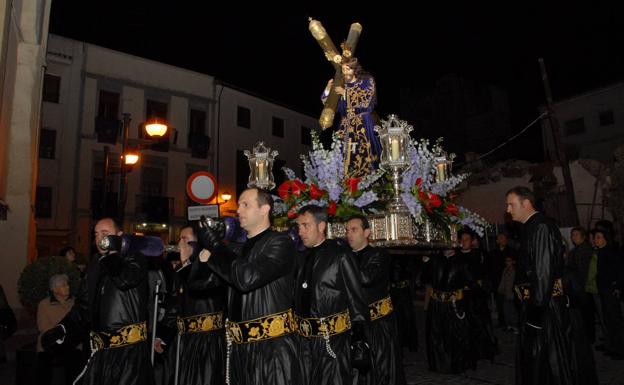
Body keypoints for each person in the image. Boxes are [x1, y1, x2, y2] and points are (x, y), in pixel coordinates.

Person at [196, 187, 304, 385]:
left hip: (271, 351)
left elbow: (247, 279)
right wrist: (206, 251)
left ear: (264, 209)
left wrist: (217, 247)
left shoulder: (280, 243)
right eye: (238, 205)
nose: (238, 211)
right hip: (238, 350)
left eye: (245, 205)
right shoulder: (237, 249)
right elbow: (199, 285)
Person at [41, 217, 153, 385]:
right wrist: (63, 328)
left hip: (129, 356)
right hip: (99, 355)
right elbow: (83, 306)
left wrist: (113, 252)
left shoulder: (135, 258)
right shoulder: (95, 265)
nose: (100, 239)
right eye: (96, 234)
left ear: (119, 235)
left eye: (106, 234)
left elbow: (124, 280)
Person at [505, 186, 598, 385]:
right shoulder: (532, 227)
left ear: (526, 203)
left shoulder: (541, 227)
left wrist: (534, 317)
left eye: (511, 205)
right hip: (537, 306)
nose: (508, 210)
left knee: (551, 363)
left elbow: (543, 273)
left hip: (546, 310)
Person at [294, 205, 370, 385]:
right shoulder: (300, 257)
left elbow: (355, 298)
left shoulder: (340, 255)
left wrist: (359, 339)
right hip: (304, 343)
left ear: (321, 226)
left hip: (333, 341)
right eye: (299, 227)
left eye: (306, 226)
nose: (300, 232)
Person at [157, 224, 226, 384]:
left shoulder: (210, 267)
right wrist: (163, 335)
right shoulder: (182, 270)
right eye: (180, 239)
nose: (180, 244)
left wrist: (187, 264)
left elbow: (199, 285)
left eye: (185, 239)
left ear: (197, 245)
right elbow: (175, 304)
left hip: (207, 341)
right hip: (185, 341)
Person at [345, 214, 405, 385]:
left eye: (354, 230)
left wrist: (341, 263)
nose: (349, 234)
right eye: (347, 230)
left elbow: (365, 279)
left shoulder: (379, 254)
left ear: (367, 232)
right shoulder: (346, 256)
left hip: (378, 324)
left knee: (380, 368)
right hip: (355, 324)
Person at [322, 56, 380, 178]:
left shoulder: (366, 80)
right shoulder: (342, 85)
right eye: (343, 69)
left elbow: (366, 99)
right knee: (344, 156)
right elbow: (331, 105)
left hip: (363, 123)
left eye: (348, 69)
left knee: (366, 155)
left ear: (355, 69)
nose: (346, 72)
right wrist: (328, 89)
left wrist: (346, 93)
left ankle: (371, 182)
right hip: (345, 126)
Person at [421, 248, 475, 373]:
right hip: (436, 304)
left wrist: (462, 298)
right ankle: (438, 364)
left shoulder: (462, 261)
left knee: (454, 335)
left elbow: (471, 283)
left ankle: (456, 365)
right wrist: (425, 264)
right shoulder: (434, 260)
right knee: (435, 334)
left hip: (454, 305)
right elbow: (423, 279)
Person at [36, 274, 80, 385]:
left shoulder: (76, 302)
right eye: (63, 285)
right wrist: (62, 334)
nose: (67, 287)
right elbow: (43, 327)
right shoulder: (44, 304)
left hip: (73, 344)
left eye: (67, 284)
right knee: (45, 367)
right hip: (50, 344)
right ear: (54, 289)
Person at [592, 227, 624, 360]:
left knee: (615, 320)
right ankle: (614, 347)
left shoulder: (610, 252)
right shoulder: (601, 252)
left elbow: (620, 270)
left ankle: (621, 350)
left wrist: (617, 286)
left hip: (610, 290)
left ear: (606, 238)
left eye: (599, 237)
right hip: (604, 290)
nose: (595, 239)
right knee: (608, 320)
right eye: (595, 237)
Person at [566, 227, 598, 343]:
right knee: (584, 313)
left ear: (583, 236)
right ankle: (586, 336)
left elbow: (583, 271)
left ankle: (589, 337)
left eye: (576, 235)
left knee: (587, 313)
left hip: (583, 287)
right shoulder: (578, 249)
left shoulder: (584, 250)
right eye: (572, 235)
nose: (573, 237)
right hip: (579, 287)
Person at [489, 233, 517, 327]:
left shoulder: (512, 251)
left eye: (505, 238)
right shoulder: (493, 253)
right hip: (498, 283)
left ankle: (513, 324)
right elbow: (491, 269)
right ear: (497, 241)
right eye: (501, 238)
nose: (503, 240)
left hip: (510, 283)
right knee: (500, 305)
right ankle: (503, 324)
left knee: (512, 306)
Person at [497, 256, 519, 333]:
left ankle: (515, 327)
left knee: (513, 311)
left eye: (509, 261)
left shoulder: (515, 271)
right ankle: (509, 326)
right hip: (506, 293)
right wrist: (500, 290)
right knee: (506, 310)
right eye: (506, 261)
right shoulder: (505, 270)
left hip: (512, 294)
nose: (507, 262)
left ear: (512, 261)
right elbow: (503, 281)